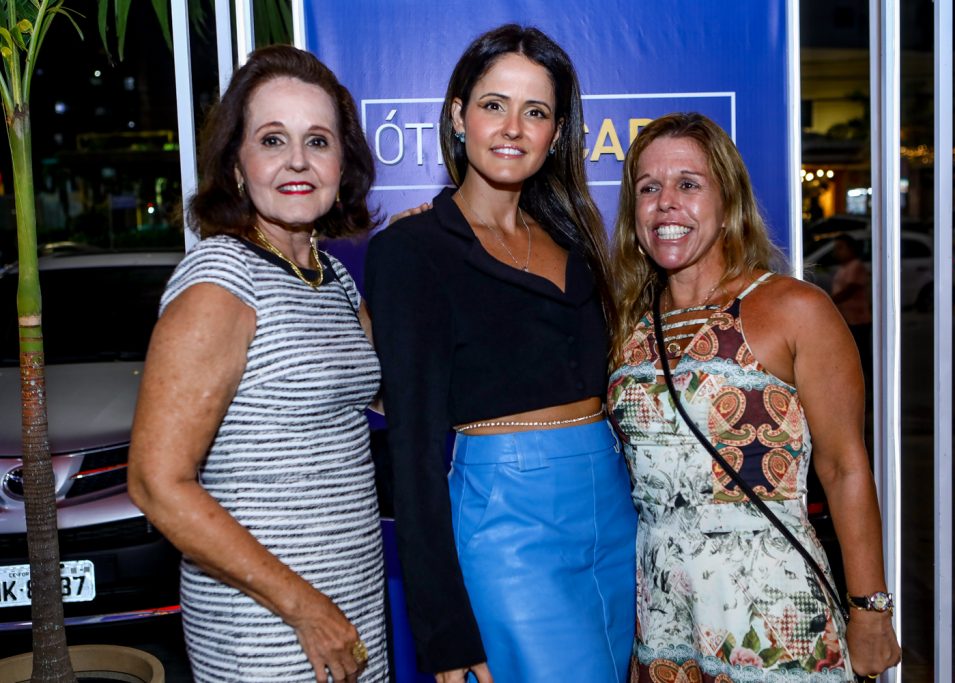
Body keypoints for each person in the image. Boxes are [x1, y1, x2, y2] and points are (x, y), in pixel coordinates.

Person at [364, 24, 636, 683]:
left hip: (611, 511)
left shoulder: (577, 238)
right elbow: (416, 452)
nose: (513, 127)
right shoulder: (414, 250)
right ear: (458, 117)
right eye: (493, 105)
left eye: (535, 111)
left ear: (556, 133)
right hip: (509, 525)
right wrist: (447, 631)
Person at [607, 113, 901, 682]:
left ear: (728, 201)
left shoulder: (795, 309)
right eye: (649, 188)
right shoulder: (626, 326)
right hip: (665, 612)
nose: (667, 202)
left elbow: (844, 468)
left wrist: (870, 609)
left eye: (689, 184)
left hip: (774, 608)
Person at [127, 45, 387, 683]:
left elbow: (387, 400)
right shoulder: (221, 280)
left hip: (350, 609)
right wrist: (303, 608)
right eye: (273, 139)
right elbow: (158, 484)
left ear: (342, 163)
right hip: (269, 630)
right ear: (238, 164)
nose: (298, 161)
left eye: (318, 141)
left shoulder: (332, 279)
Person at [830, 233, 873, 397]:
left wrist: (827, 301)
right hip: (847, 319)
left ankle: (868, 388)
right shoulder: (844, 268)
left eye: (840, 248)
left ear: (851, 249)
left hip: (858, 320)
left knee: (861, 356)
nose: (836, 252)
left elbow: (850, 290)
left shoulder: (856, 267)